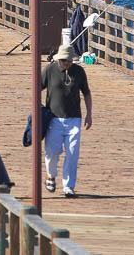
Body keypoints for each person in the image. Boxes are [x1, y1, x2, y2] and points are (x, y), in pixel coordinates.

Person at [41, 44, 93, 198]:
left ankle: (69, 186)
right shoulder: (50, 70)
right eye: (64, 60)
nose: (67, 63)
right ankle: (51, 176)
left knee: (72, 153)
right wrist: (38, 110)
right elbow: (38, 87)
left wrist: (89, 114)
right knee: (52, 152)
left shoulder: (79, 71)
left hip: (74, 118)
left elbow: (87, 93)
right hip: (54, 118)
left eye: (69, 61)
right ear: (59, 59)